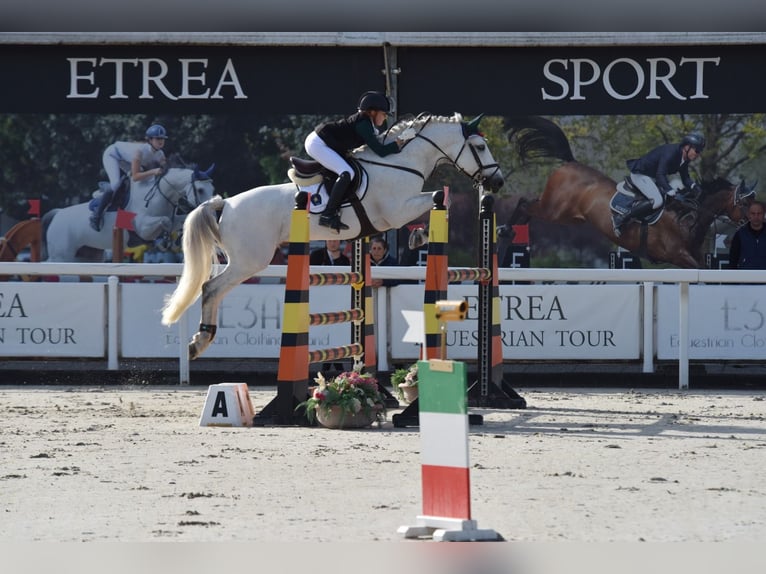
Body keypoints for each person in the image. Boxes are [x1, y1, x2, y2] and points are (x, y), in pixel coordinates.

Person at [304, 91, 415, 232]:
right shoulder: (364, 125)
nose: (385, 117)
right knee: (347, 172)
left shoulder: (368, 124)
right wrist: (399, 142)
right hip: (318, 143)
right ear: (372, 112)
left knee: (347, 169)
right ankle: (328, 214)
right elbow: (380, 151)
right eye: (384, 113)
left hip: (326, 142)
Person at [615, 132, 705, 236]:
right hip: (641, 174)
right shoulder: (671, 152)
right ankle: (621, 218)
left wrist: (696, 187)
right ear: (687, 146)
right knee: (657, 200)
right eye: (697, 151)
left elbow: (685, 178)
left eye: (700, 152)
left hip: (652, 178)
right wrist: (671, 191)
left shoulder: (684, 158)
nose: (698, 154)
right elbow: (660, 174)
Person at [90, 124, 169, 231]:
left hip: (126, 160)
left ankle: (125, 222)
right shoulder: (140, 151)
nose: (161, 141)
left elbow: (165, 169)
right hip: (113, 155)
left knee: (137, 186)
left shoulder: (160, 154)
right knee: (116, 185)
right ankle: (96, 216)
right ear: (150, 139)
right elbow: (136, 177)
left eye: (163, 139)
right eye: (158, 138)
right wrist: (154, 171)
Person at [728, 201, 766, 269]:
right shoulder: (740, 234)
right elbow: (733, 260)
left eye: (759, 213)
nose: (756, 216)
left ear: (764, 214)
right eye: (753, 213)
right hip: (745, 277)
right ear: (749, 215)